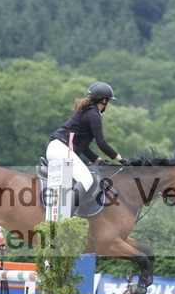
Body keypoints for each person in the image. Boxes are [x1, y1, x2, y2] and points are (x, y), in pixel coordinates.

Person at [47, 81, 130, 211]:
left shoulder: (86, 111)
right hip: (62, 150)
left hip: (56, 148)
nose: (108, 105)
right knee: (86, 179)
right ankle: (66, 212)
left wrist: (99, 161)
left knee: (84, 176)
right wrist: (122, 159)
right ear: (103, 100)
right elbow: (102, 144)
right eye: (108, 101)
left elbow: (83, 146)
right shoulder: (93, 115)